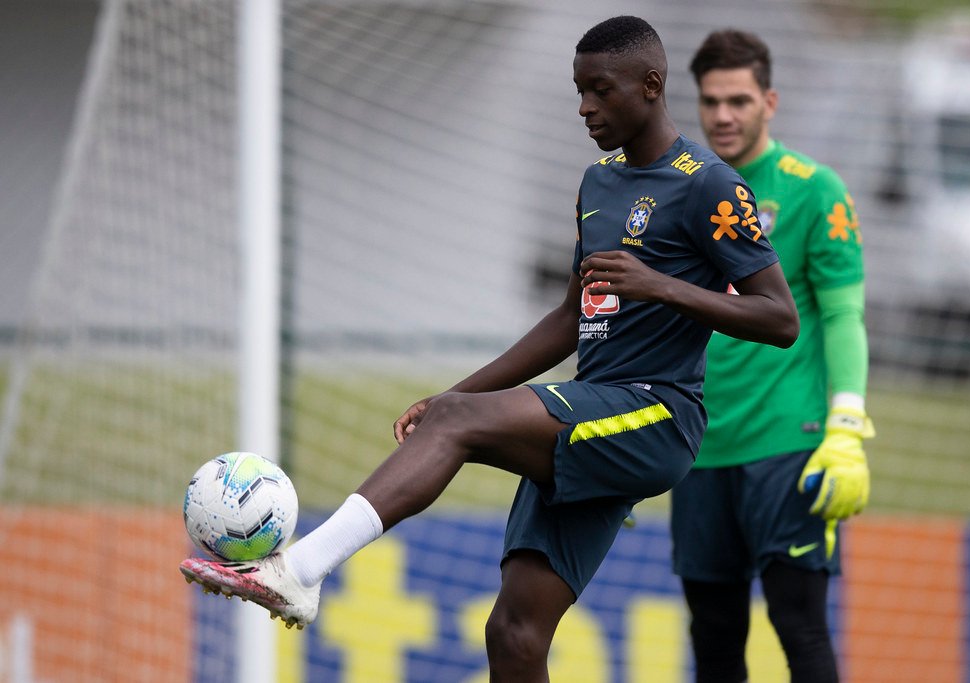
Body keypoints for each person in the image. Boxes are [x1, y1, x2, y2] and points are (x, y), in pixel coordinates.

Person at [181, 16, 798, 680]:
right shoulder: (599, 184)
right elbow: (567, 320)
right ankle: (301, 570)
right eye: (578, 91)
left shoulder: (708, 185)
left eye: (601, 90)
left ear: (651, 85)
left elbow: (778, 317)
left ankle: (300, 569)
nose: (586, 107)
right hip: (591, 415)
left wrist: (661, 285)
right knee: (513, 632)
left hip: (657, 415)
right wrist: (459, 396)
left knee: (459, 433)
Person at [669, 29, 872, 683]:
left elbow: (843, 316)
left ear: (770, 101)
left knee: (799, 625)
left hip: (789, 442)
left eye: (738, 100)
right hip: (699, 447)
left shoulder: (816, 190)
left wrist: (845, 425)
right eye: (710, 101)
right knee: (715, 639)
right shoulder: (685, 190)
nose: (723, 115)